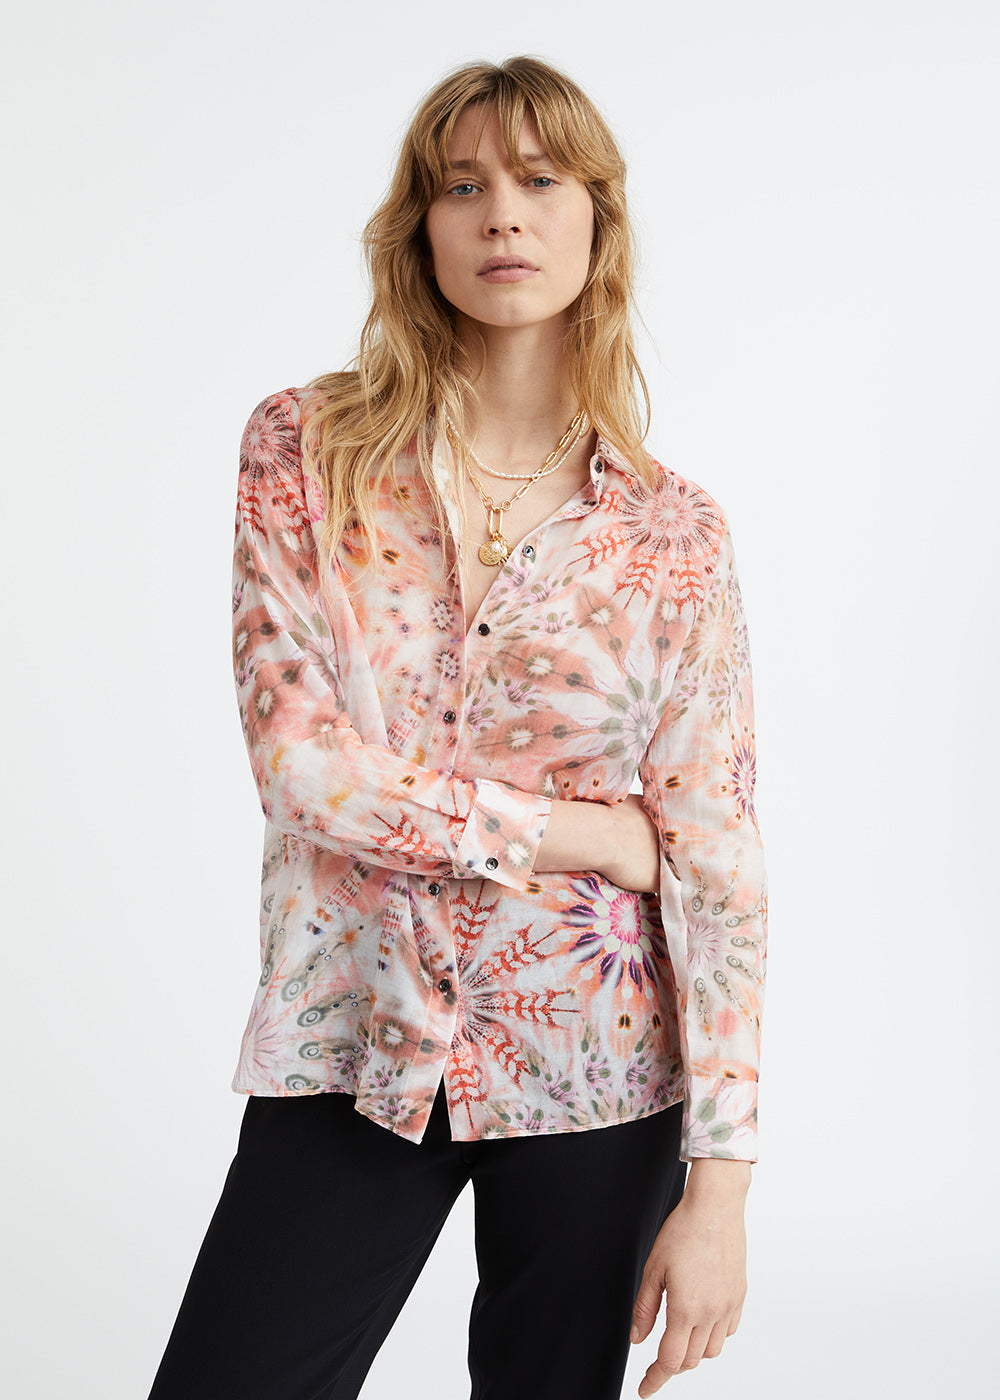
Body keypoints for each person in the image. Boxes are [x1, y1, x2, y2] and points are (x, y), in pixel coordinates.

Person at [147, 55, 767, 1400]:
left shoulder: (671, 532)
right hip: (354, 1038)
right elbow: (303, 769)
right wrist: (580, 834)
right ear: (418, 227)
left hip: (601, 1066)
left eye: (541, 181)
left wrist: (720, 1189)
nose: (503, 215)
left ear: (598, 222)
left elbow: (716, 857)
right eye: (463, 185)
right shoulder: (307, 452)